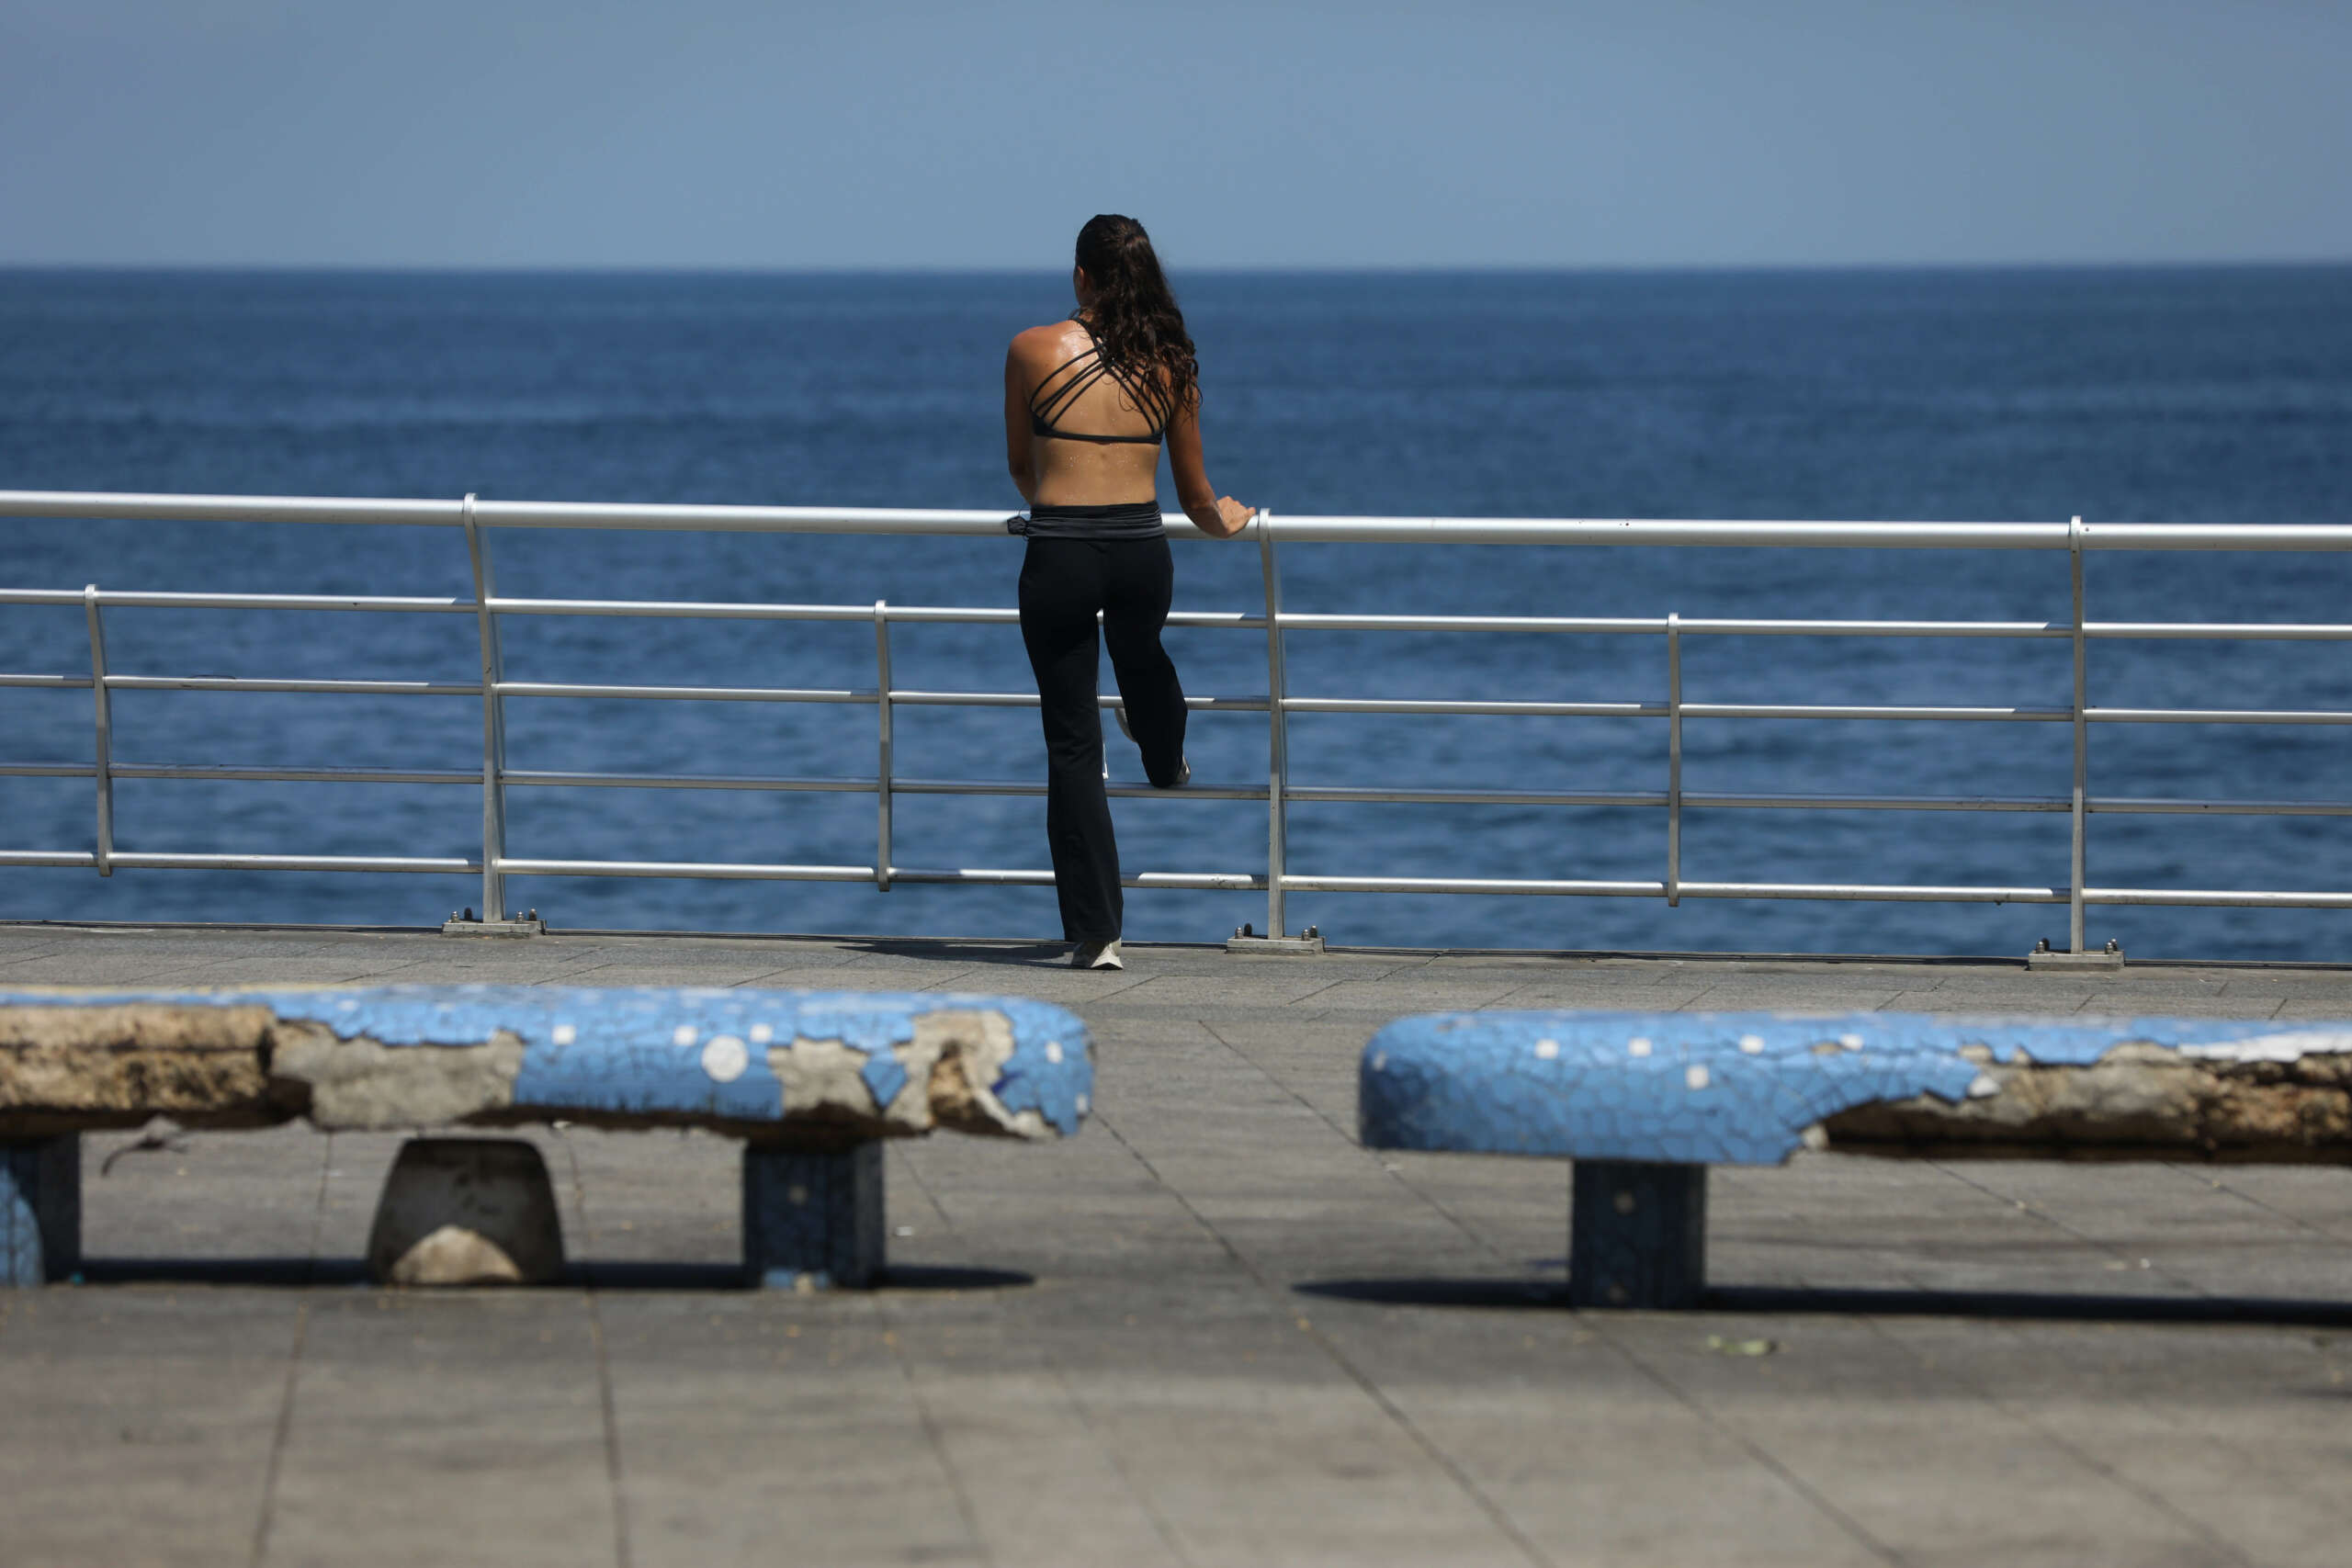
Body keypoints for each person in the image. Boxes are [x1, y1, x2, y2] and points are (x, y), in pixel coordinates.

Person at [1004, 214, 1254, 970]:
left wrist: (1056, 508)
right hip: (1142, 549)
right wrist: (1230, 518)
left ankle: (1100, 932)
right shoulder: (1168, 364)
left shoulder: (1030, 349)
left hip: (1061, 553)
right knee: (1141, 654)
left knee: (1072, 743)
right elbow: (1197, 495)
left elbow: (1023, 466)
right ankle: (1166, 755)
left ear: (1081, 276)